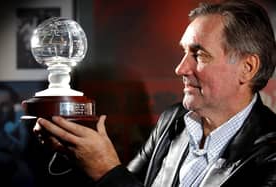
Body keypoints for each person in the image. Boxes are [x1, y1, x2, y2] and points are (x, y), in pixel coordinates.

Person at [34, 0, 276, 186]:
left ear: (247, 68)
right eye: (183, 52)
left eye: (200, 55)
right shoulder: (173, 120)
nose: (180, 68)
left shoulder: (272, 157)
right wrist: (77, 152)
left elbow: (115, 179)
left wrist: (107, 169)